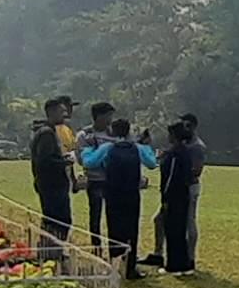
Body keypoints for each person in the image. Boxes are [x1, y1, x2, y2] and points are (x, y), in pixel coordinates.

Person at [84, 117, 151, 272]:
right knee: (132, 230)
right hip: (132, 194)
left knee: (114, 230)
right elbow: (152, 163)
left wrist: (89, 148)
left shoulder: (107, 148)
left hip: (113, 194)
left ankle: (115, 264)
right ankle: (130, 266)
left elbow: (89, 162)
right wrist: (146, 145)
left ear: (113, 131)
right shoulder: (137, 148)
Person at [27, 96, 80, 257]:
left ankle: (51, 250)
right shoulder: (47, 134)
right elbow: (45, 161)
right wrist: (64, 162)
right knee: (59, 220)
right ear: (51, 112)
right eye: (61, 111)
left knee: (54, 219)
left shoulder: (48, 131)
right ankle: (51, 251)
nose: (64, 115)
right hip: (52, 185)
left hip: (50, 184)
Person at [154, 115, 205, 275]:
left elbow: (170, 178)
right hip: (182, 195)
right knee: (180, 229)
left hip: (174, 197)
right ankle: (185, 264)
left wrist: (165, 197)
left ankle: (173, 266)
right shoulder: (184, 151)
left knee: (173, 230)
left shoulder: (175, 154)